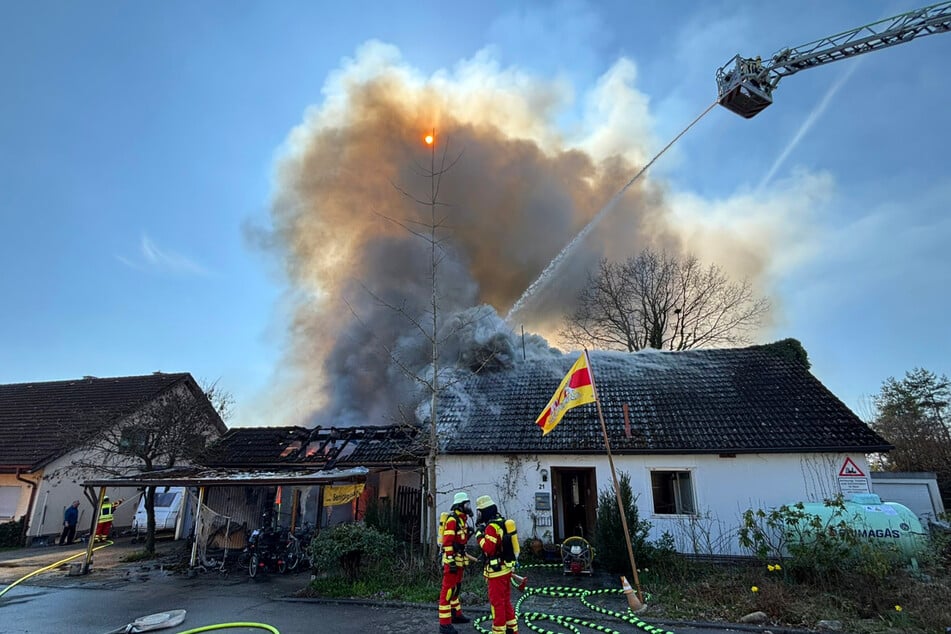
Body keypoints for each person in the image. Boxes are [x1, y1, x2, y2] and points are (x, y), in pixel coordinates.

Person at [475, 495, 518, 634]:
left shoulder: (491, 527)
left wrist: (479, 536)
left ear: (485, 511)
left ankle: (499, 631)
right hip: (505, 569)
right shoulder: (501, 522)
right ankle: (512, 629)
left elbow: (489, 549)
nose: (478, 515)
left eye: (480, 512)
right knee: (505, 602)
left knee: (497, 604)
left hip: (496, 573)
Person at [438, 491, 472, 634]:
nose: (468, 506)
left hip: (460, 560)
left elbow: (460, 539)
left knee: (456, 588)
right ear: (460, 505)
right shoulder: (453, 520)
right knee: (447, 591)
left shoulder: (462, 520)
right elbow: (447, 542)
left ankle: (456, 615)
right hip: (452, 561)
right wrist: (451, 560)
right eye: (466, 504)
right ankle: (444, 624)